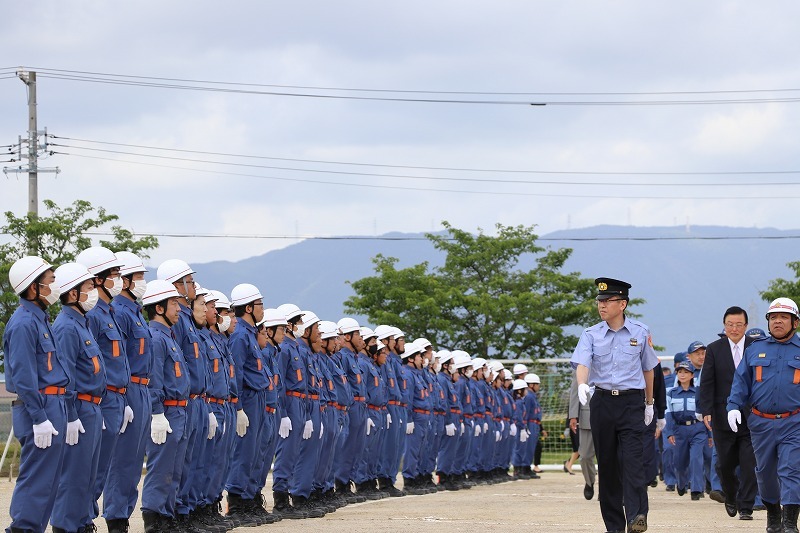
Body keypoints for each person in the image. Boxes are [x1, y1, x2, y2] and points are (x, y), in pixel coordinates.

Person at [572, 277, 659, 533]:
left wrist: (649, 403)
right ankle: (614, 526)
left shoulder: (640, 332)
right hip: (602, 403)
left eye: (607, 301)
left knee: (633, 462)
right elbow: (582, 363)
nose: (601, 305)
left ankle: (637, 516)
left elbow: (649, 370)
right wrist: (581, 384)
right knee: (608, 466)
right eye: (599, 300)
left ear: (622, 304)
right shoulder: (590, 334)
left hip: (632, 403)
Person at [4, 256, 69, 533]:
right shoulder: (22, 324)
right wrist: (40, 417)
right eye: (49, 283)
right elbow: (23, 376)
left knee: (50, 483)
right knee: (36, 481)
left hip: (53, 405)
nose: (54, 288)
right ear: (33, 288)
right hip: (39, 408)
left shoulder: (40, 319)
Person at [728, 297, 800, 533]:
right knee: (765, 471)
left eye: (784, 317)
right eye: (773, 317)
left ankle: (790, 522)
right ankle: (773, 514)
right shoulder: (755, 349)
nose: (778, 321)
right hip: (761, 422)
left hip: (794, 421)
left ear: (795, 323)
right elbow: (741, 382)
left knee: (790, 469)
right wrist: (733, 406)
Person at [75, 247, 131, 525]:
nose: (119, 280)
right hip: (102, 398)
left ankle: (86, 520)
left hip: (117, 399)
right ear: (97, 280)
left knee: (102, 467)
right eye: (114, 275)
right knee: (91, 470)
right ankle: (82, 521)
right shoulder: (94, 316)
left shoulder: (108, 313)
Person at [50, 263, 106, 533]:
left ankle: (82, 523)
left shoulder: (81, 324)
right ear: (72, 294)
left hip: (92, 407)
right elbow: (66, 375)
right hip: (78, 409)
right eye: (88, 288)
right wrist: (70, 416)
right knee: (73, 476)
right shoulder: (66, 328)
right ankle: (66, 526)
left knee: (88, 475)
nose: (93, 292)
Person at [103, 252, 152, 533]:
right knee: (122, 459)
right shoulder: (120, 311)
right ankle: (116, 518)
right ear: (125, 281)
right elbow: (117, 357)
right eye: (139, 277)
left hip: (142, 388)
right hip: (128, 387)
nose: (143, 282)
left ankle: (122, 513)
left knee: (134, 461)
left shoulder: (134, 310)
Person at [696, 306, 758, 521]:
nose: (734, 329)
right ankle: (731, 495)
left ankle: (746, 506)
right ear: (724, 326)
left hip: (751, 417)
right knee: (724, 465)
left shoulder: (756, 346)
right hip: (722, 417)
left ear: (746, 326)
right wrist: (706, 410)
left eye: (739, 325)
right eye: (730, 325)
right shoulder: (715, 349)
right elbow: (707, 382)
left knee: (750, 465)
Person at [140, 279, 191, 533]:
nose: (179, 308)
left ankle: (167, 516)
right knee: (161, 468)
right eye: (173, 304)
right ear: (158, 308)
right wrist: (157, 412)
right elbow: (154, 379)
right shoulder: (155, 339)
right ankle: (154, 518)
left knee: (174, 470)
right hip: (167, 410)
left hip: (179, 410)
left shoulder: (169, 337)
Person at [665, 361, 710, 500]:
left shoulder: (699, 392)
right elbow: (668, 414)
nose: (682, 375)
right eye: (679, 372)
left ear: (692, 375)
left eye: (686, 372)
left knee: (696, 458)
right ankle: (681, 482)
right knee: (679, 461)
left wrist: (709, 434)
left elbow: (705, 414)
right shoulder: (671, 393)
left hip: (698, 428)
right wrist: (669, 432)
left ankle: (696, 489)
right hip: (679, 429)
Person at [569, 368, 597, 500]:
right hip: (587, 417)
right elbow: (575, 392)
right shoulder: (583, 368)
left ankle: (607, 488)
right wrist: (573, 416)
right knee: (585, 456)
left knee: (608, 456)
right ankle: (589, 481)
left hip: (609, 416)